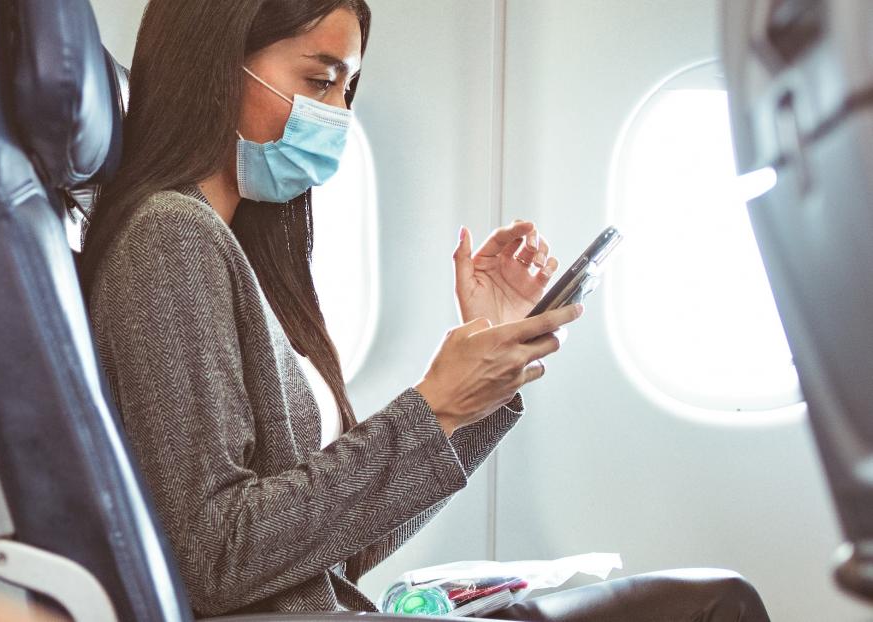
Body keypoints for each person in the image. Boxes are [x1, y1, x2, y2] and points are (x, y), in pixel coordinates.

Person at [77, 1, 771, 620]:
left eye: (349, 89)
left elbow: (328, 552)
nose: (340, 115)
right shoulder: (169, 237)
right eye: (319, 81)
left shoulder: (238, 253)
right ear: (214, 67)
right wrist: (433, 406)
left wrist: (473, 393)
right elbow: (218, 558)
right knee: (716, 604)